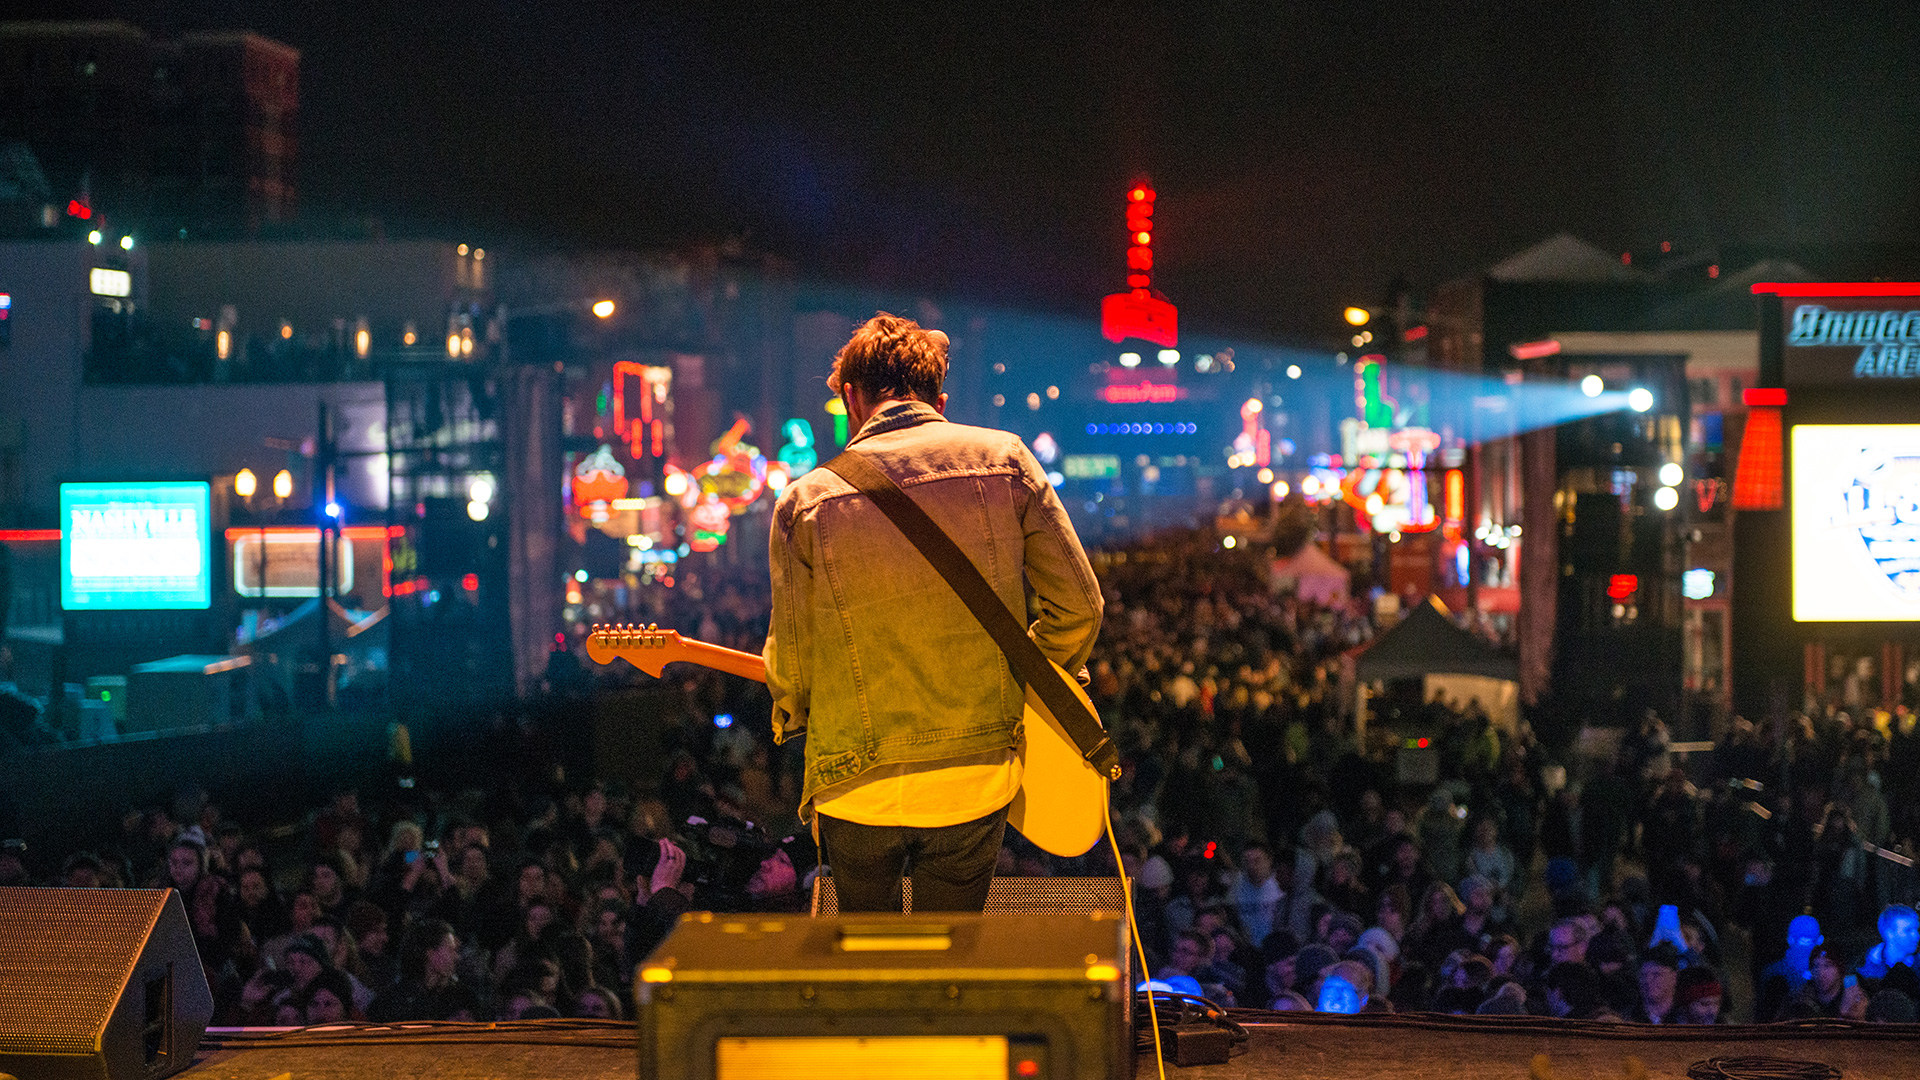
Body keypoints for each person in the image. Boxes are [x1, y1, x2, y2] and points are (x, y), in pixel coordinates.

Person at [763, 313, 1103, 913]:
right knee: (950, 955)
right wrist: (1025, 674)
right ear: (940, 400)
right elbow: (1080, 605)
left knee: (869, 961)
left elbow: (792, 661)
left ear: (850, 397)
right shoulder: (1006, 461)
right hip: (973, 778)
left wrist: (795, 713)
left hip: (854, 785)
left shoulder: (805, 501)